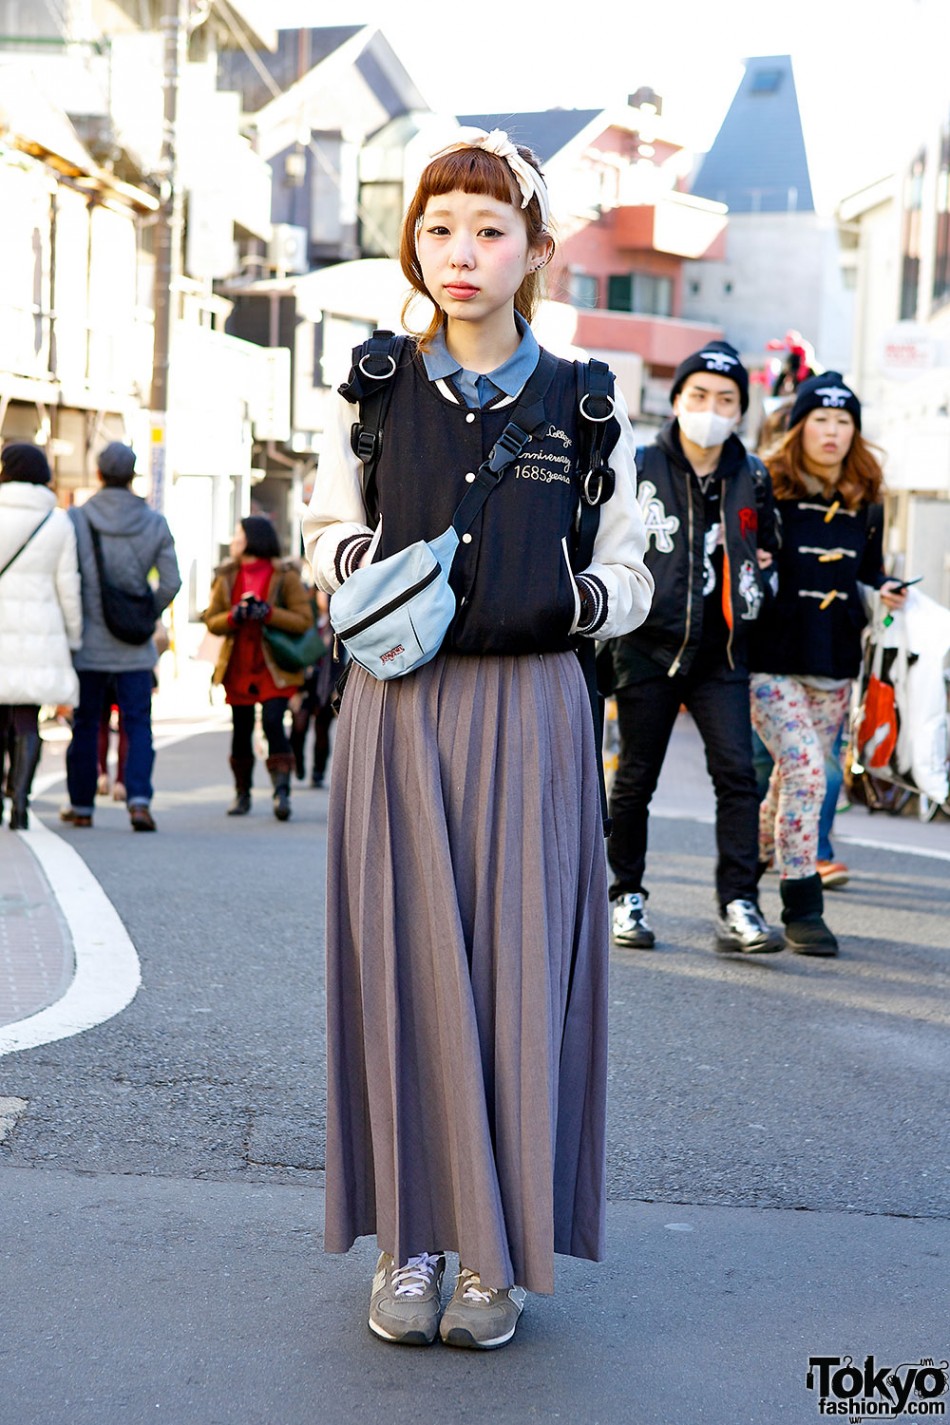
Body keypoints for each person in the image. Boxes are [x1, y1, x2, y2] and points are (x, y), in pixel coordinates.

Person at [302, 128, 652, 1350]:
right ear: (413, 240)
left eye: (489, 228)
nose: (460, 251)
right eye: (438, 226)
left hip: (533, 711)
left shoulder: (588, 401)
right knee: (400, 966)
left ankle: (491, 1263)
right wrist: (374, 578)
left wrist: (568, 602)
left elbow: (630, 563)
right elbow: (321, 526)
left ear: (536, 251)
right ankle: (409, 1245)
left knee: (513, 976)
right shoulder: (375, 387)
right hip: (395, 707)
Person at [606, 342, 784, 954]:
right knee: (635, 778)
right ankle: (625, 894)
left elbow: (772, 551)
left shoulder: (752, 475)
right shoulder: (637, 462)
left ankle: (740, 901)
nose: (712, 409)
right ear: (677, 400)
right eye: (700, 396)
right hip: (647, 647)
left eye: (727, 400)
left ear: (741, 411)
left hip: (723, 654)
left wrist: (763, 573)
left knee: (738, 776)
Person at [750, 373, 907, 954]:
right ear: (799, 426)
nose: (833, 432)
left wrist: (886, 587)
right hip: (771, 659)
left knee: (790, 779)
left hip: (834, 660)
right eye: (821, 419)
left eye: (844, 422)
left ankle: (745, 877)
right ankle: (801, 905)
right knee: (810, 774)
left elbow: (869, 569)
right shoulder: (766, 483)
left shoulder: (867, 497)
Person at [62, 441, 180, 832]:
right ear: (132, 477)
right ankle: (139, 801)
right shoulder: (154, 522)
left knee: (85, 722)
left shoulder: (77, 520)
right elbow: (171, 582)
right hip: (135, 646)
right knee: (137, 723)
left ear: (98, 474)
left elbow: (66, 578)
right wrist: (146, 613)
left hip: (88, 645)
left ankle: (81, 806)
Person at [202, 516, 313, 820]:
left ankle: (281, 792)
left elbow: (303, 620)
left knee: (274, 722)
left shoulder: (285, 575)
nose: (235, 540)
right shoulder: (226, 575)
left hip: (273, 665)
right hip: (238, 663)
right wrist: (234, 616)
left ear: (253, 538)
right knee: (241, 729)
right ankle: (242, 794)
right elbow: (211, 619)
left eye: (239, 534)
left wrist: (267, 612)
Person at [0, 443, 82, 829]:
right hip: (39, 631)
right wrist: (74, 636)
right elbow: (69, 586)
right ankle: (20, 803)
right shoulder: (57, 521)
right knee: (27, 719)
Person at [289, 589, 336, 788]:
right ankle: (297, 762)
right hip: (304, 682)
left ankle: (318, 771)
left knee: (322, 729)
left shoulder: (338, 623)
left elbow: (343, 659)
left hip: (328, 682)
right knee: (298, 726)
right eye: (321, 592)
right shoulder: (307, 620)